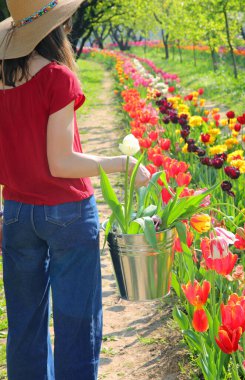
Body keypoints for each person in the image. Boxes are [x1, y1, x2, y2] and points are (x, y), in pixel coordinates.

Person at [0, 1, 151, 379]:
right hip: (66, 213)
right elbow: (61, 163)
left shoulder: (2, 77)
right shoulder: (57, 77)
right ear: (59, 25)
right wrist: (122, 164)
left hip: (16, 212)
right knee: (76, 321)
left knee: (24, 324)